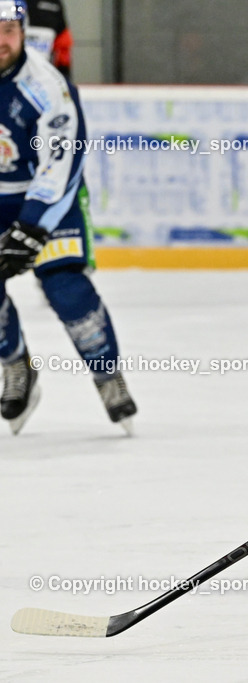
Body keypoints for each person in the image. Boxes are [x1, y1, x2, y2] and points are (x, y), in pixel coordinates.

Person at [0, 0, 136, 435]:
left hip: (48, 201)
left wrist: (33, 225)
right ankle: (15, 363)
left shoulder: (46, 85)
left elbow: (60, 162)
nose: (2, 40)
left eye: (9, 29)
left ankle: (106, 373)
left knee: (65, 285)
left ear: (23, 31)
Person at [24, 0, 72, 79]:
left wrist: (64, 78)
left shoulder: (54, 4)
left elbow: (63, 46)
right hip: (7, 76)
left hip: (44, 76)